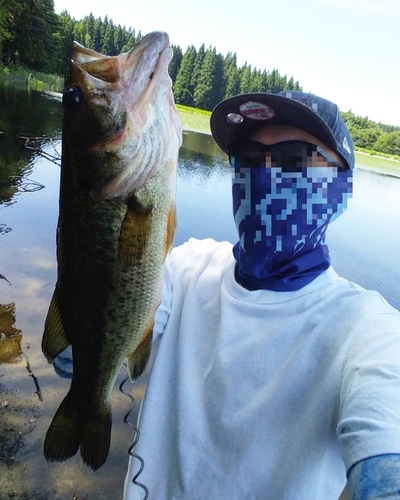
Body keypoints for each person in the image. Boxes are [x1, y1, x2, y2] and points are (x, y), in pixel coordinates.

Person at [122, 91, 400, 500]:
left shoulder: (368, 331)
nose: (263, 174)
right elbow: (89, 343)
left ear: (341, 190)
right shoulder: (186, 267)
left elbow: (382, 433)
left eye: (293, 158)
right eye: (249, 157)